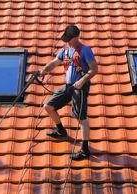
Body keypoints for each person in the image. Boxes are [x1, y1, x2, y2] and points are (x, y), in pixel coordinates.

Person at [39, 25, 98, 160]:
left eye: (69, 39)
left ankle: (84, 150)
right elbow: (54, 63)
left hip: (80, 88)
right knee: (48, 106)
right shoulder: (65, 49)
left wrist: (83, 80)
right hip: (68, 86)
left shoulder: (85, 50)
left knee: (80, 118)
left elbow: (94, 69)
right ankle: (61, 130)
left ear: (76, 37)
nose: (67, 41)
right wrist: (43, 70)